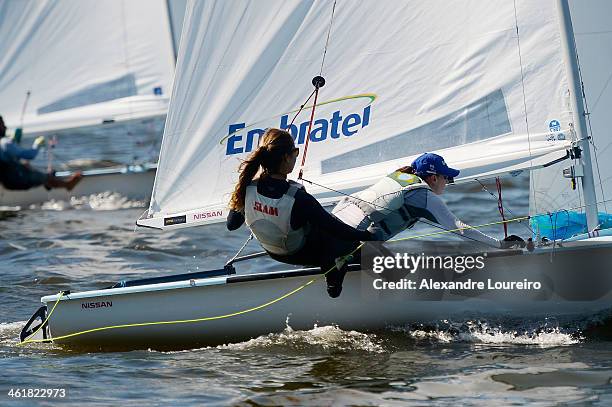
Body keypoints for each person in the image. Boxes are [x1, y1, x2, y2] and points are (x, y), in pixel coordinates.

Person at [226, 128, 381, 298]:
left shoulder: (247, 188)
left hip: (274, 253)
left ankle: (332, 266)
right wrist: (367, 235)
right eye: (295, 153)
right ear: (286, 157)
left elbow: (232, 225)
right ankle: (336, 275)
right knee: (352, 242)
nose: (296, 158)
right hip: (303, 253)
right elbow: (336, 229)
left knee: (318, 228)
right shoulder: (298, 198)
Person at [332, 152, 525, 249]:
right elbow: (460, 229)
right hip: (348, 242)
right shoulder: (424, 195)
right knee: (402, 273)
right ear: (433, 178)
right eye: (447, 178)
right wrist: (500, 244)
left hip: (333, 225)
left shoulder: (397, 178)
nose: (448, 183)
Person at [0, 115, 82, 191]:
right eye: (2, 125)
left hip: (6, 183)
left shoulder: (5, 143)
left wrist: (15, 142)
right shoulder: (5, 142)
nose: (5, 127)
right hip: (17, 181)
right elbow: (30, 155)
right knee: (41, 174)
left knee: (24, 164)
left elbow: (8, 157)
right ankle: (66, 185)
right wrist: (37, 144)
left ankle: (48, 181)